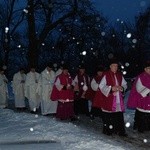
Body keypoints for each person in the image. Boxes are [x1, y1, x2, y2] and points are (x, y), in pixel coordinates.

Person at [99, 59, 127, 136]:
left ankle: (120, 131)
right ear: (110, 66)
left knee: (118, 115)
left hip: (118, 98)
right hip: (109, 98)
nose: (115, 67)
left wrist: (122, 88)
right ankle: (109, 131)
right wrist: (111, 88)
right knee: (109, 115)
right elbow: (101, 86)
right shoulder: (106, 75)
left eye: (116, 66)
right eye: (114, 66)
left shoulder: (119, 75)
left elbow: (125, 84)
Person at [127, 60, 150, 132]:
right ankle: (139, 127)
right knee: (141, 114)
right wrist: (148, 91)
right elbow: (139, 89)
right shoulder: (141, 77)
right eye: (149, 68)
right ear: (145, 69)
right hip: (142, 99)